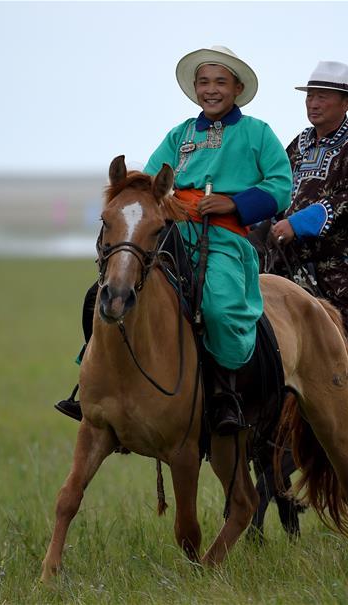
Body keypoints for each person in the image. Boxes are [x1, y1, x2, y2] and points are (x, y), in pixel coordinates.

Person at [56, 46, 291, 435]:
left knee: (216, 306)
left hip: (224, 241)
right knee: (107, 293)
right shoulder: (179, 134)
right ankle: (93, 385)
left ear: (237, 87)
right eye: (203, 82)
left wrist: (233, 202)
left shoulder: (257, 133)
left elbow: (281, 186)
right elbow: (149, 185)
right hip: (170, 239)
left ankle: (225, 395)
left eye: (220, 82)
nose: (211, 90)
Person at [259, 61, 348, 334]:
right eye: (310, 96)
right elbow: (280, 186)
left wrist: (298, 224)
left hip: (344, 269)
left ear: (346, 103)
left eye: (323, 96)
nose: (313, 103)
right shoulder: (300, 143)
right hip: (291, 265)